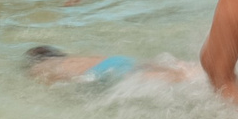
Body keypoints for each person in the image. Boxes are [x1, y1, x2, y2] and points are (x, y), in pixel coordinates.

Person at [24, 45, 199, 85]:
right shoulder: (77, 57)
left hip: (104, 70)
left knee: (148, 80)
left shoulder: (42, 67)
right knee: (177, 74)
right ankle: (190, 72)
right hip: (117, 60)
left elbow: (53, 82)